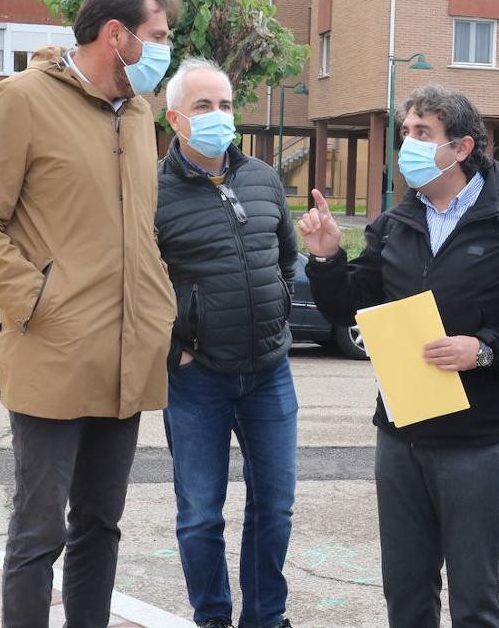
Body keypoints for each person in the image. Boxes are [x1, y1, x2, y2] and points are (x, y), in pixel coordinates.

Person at [0, 0, 180, 627]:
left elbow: (138, 231)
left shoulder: (138, 111)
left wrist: (160, 316)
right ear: (115, 35)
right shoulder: (20, 101)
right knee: (38, 532)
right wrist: (40, 302)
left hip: (127, 357)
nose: (165, 51)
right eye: (158, 37)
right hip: (52, 353)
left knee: (101, 527)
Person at [295, 84, 499, 628]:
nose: (409, 145)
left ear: (462, 148)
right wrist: (327, 258)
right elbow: (349, 307)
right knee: (405, 591)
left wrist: (485, 348)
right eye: (406, 133)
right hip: (400, 434)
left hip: (475, 439)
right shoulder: (397, 223)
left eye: (423, 134)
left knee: (474, 598)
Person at [154, 58, 298, 628]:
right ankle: (212, 617)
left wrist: (279, 308)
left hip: (269, 372)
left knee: (275, 510)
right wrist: (174, 348)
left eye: (226, 104)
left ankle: (266, 619)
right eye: (203, 106)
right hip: (196, 380)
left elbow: (287, 257)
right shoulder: (151, 190)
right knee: (199, 516)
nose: (219, 117)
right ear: (175, 120)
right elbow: (136, 284)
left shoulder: (262, 178)